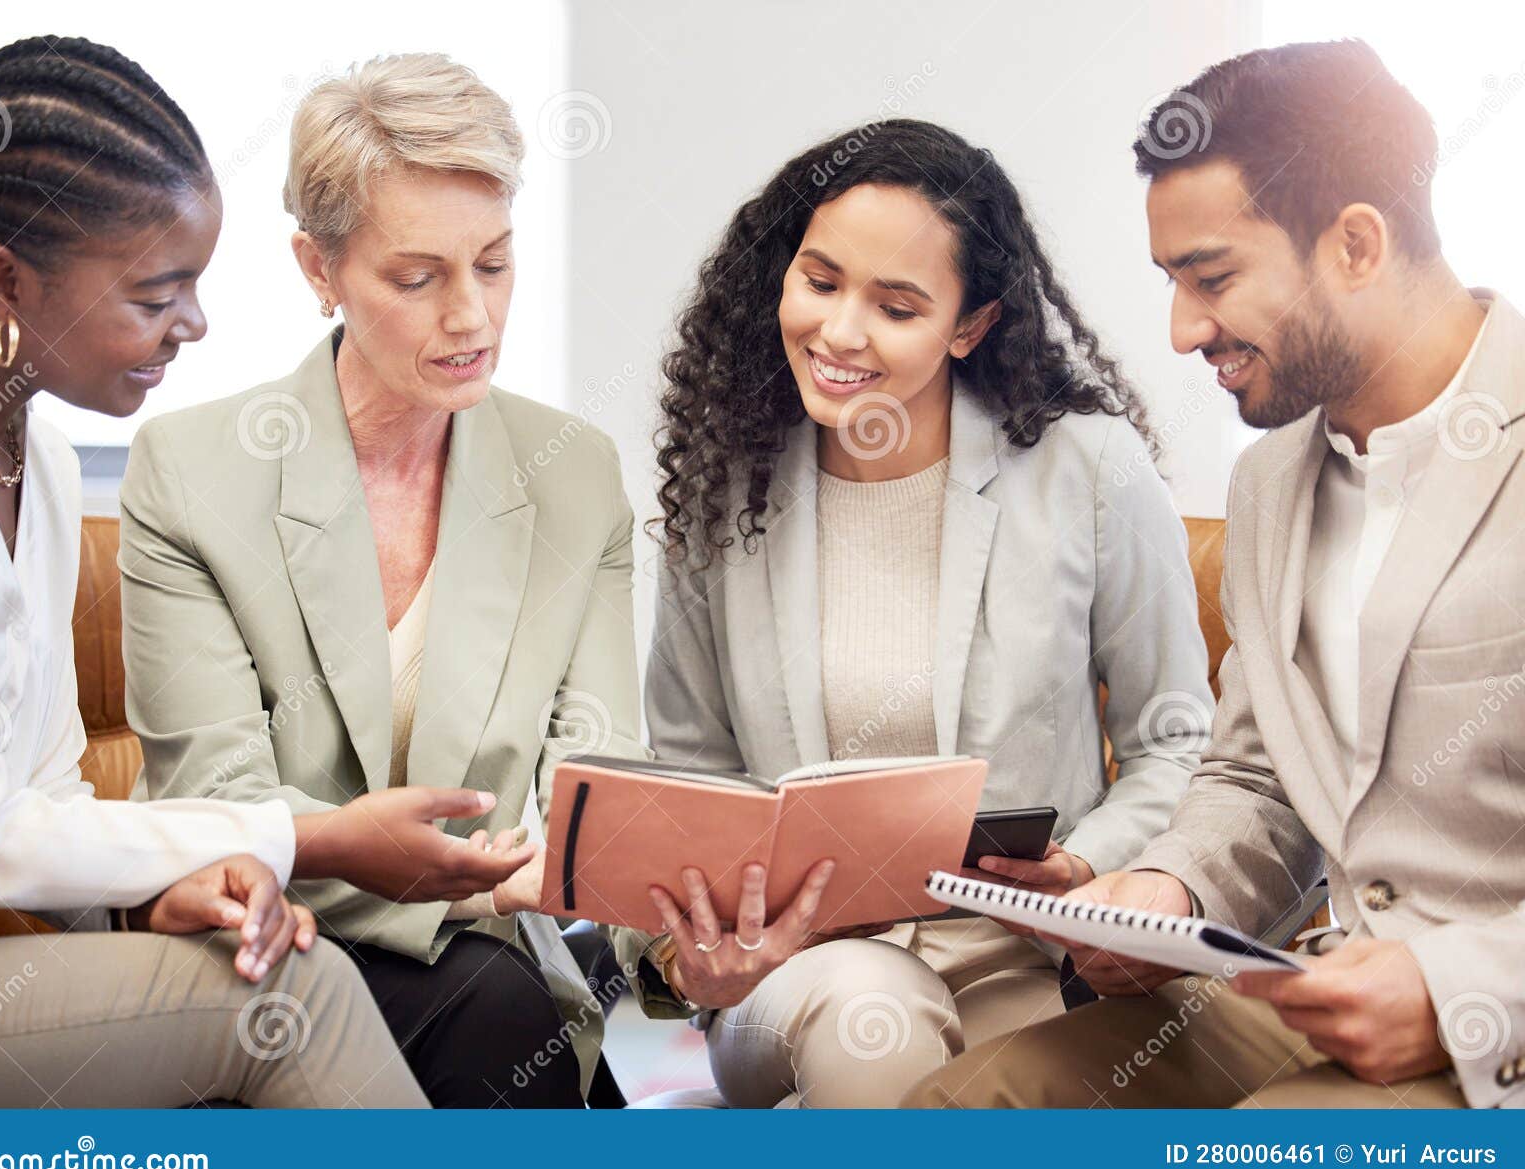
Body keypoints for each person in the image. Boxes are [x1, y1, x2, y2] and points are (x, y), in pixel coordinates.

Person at [906, 39, 1524, 1110]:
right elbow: (1258, 779)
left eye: (1213, 277)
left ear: (1359, 244)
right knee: (957, 1116)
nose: (1185, 329)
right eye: (1172, 282)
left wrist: (1455, 985)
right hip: (1318, 998)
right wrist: (1158, 889)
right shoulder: (1274, 483)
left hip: (1490, 1036)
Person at [0, 36, 515, 1108]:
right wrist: (318, 835)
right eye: (157, 294)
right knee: (289, 1001)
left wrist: (162, 892)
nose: (193, 324)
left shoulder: (38, 459)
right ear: (5, 280)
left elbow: (46, 787)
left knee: (294, 969)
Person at [638, 119, 1213, 1107]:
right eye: (819, 283)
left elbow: (1176, 736)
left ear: (969, 324)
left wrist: (1085, 861)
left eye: (896, 306)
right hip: (792, 973)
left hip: (1019, 962)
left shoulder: (1087, 468)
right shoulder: (725, 484)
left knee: (993, 1098)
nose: (841, 333)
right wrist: (691, 954)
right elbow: (688, 773)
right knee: (877, 1014)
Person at [119, 54, 646, 1107]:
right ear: (318, 269)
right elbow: (218, 803)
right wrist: (454, 886)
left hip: (494, 964)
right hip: (268, 935)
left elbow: (598, 780)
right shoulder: (192, 470)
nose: (471, 316)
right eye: (418, 277)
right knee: (491, 1003)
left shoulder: (574, 475)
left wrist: (636, 906)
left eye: (493, 265)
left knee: (501, 1006)